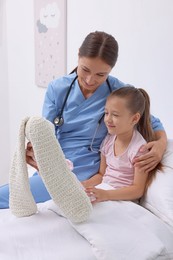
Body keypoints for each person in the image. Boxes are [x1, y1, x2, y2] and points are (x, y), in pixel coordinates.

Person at [0, 31, 167, 208]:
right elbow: (45, 132)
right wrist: (35, 152)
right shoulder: (58, 89)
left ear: (111, 70)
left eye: (100, 75)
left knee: (9, 198)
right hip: (57, 165)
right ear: (78, 54)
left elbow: (152, 121)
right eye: (85, 69)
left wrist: (161, 144)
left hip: (90, 171)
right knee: (9, 196)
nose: (90, 80)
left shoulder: (117, 92)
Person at [85, 86, 161, 202]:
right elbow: (101, 174)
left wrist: (107, 195)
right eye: (106, 113)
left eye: (115, 115)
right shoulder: (108, 141)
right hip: (104, 192)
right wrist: (83, 185)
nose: (108, 119)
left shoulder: (139, 149)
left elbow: (137, 190)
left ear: (134, 119)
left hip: (122, 199)